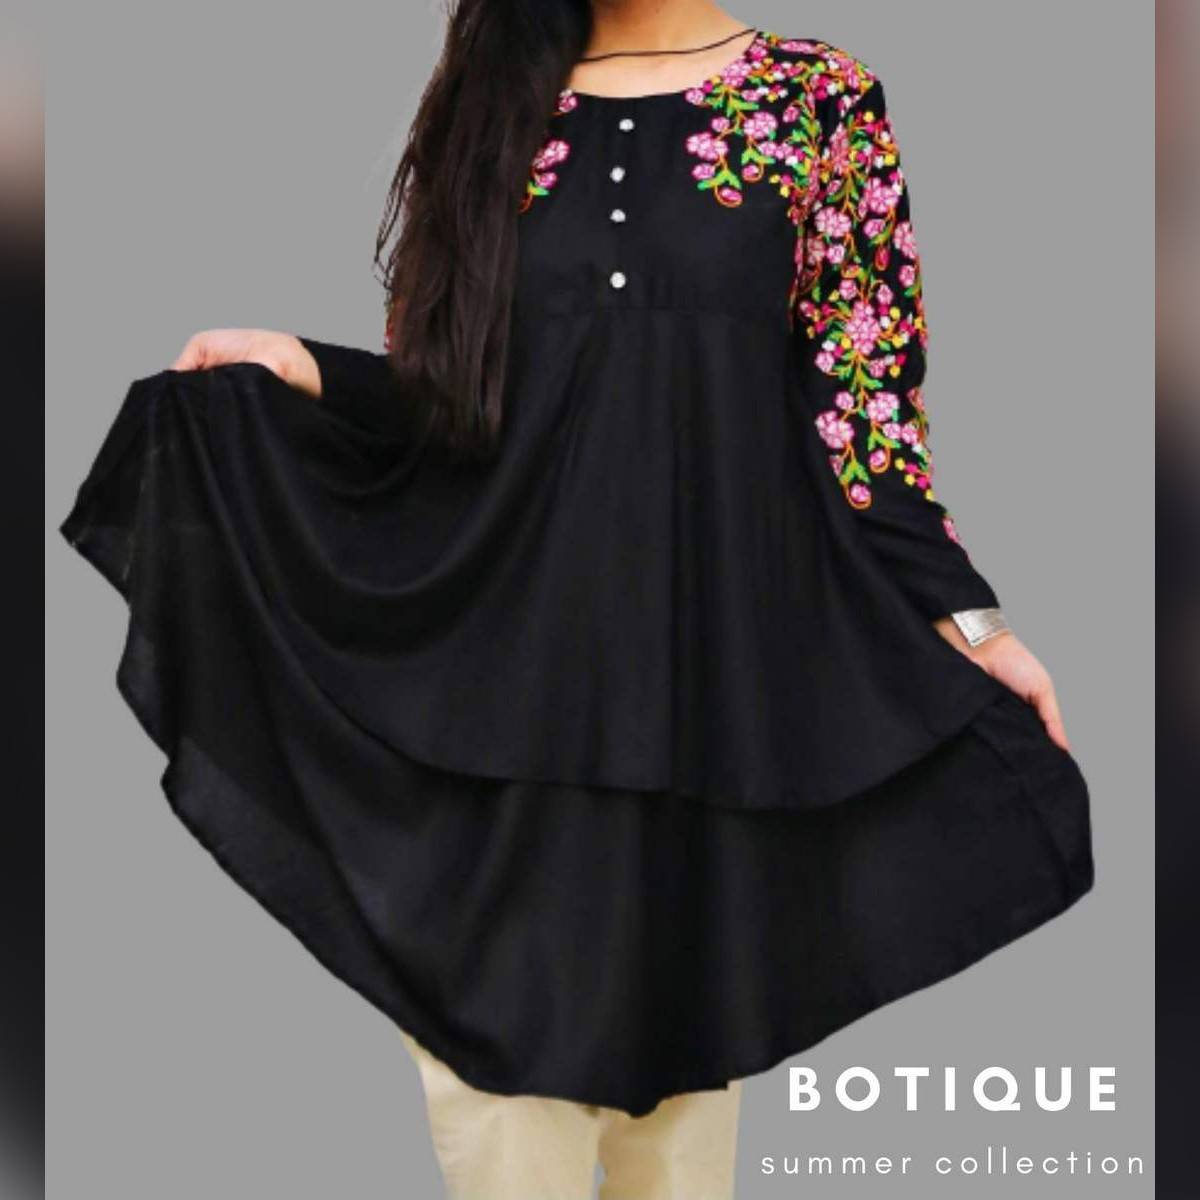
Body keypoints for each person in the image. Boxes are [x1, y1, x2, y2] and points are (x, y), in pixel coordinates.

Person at [59, 2, 1095, 1197]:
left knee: (683, 1149)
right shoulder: (493, 97)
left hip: (703, 724)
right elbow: (460, 404)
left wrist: (973, 623)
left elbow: (864, 413)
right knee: (508, 1133)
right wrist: (309, 370)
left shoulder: (822, 101)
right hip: (511, 718)